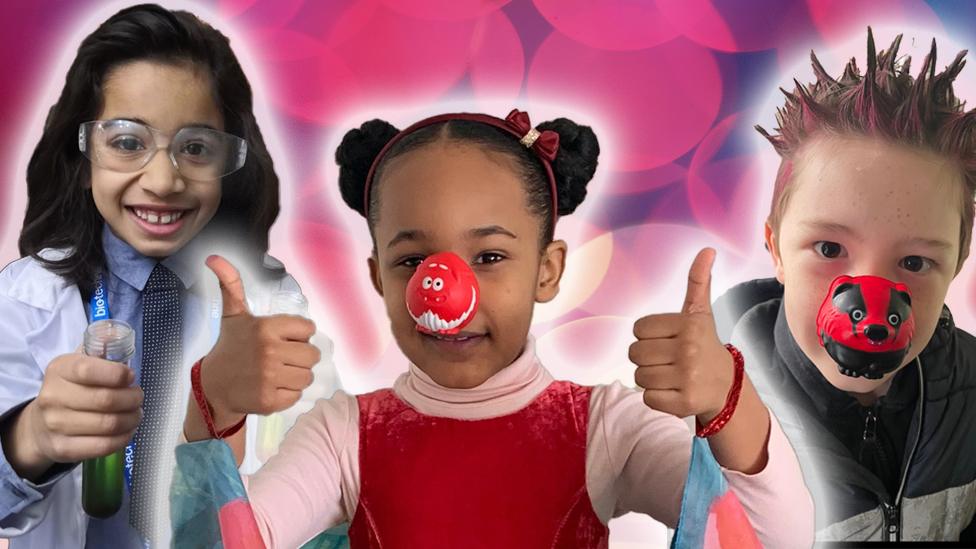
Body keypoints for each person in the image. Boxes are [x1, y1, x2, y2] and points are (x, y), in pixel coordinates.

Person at [175, 108, 814, 547]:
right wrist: (216, 409)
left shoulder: (604, 429)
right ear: (378, 277)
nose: (447, 292)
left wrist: (732, 399)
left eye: (489, 257)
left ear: (547, 269)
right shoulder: (344, 435)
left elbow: (764, 538)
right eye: (411, 261)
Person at [0, 4, 315, 547]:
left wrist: (228, 416)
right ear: (83, 156)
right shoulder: (22, 299)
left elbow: (312, 493)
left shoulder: (274, 303)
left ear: (231, 162)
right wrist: (27, 440)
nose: (164, 180)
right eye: (127, 142)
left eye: (195, 148)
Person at [714, 29, 976, 541]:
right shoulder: (712, 405)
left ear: (958, 263)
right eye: (830, 250)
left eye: (915, 261)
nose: (874, 303)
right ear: (776, 248)